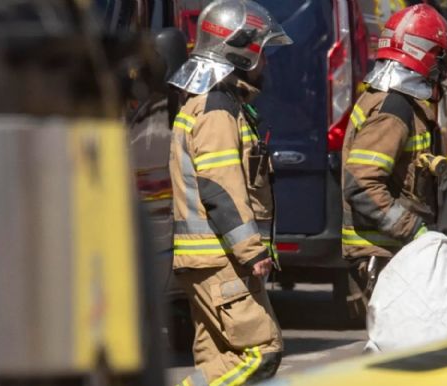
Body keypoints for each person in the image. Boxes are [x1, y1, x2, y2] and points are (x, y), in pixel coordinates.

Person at [166, 1, 292, 384]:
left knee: (218, 363)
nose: (265, 63)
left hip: (209, 259)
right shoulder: (218, 109)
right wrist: (250, 250)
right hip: (220, 259)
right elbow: (219, 185)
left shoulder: (213, 104)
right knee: (261, 351)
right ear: (240, 54)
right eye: (260, 53)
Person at [341, 4, 447, 317]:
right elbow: (361, 184)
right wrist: (414, 230)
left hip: (393, 255)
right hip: (382, 257)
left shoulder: (396, 100)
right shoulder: (394, 108)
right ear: (426, 56)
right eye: (441, 58)